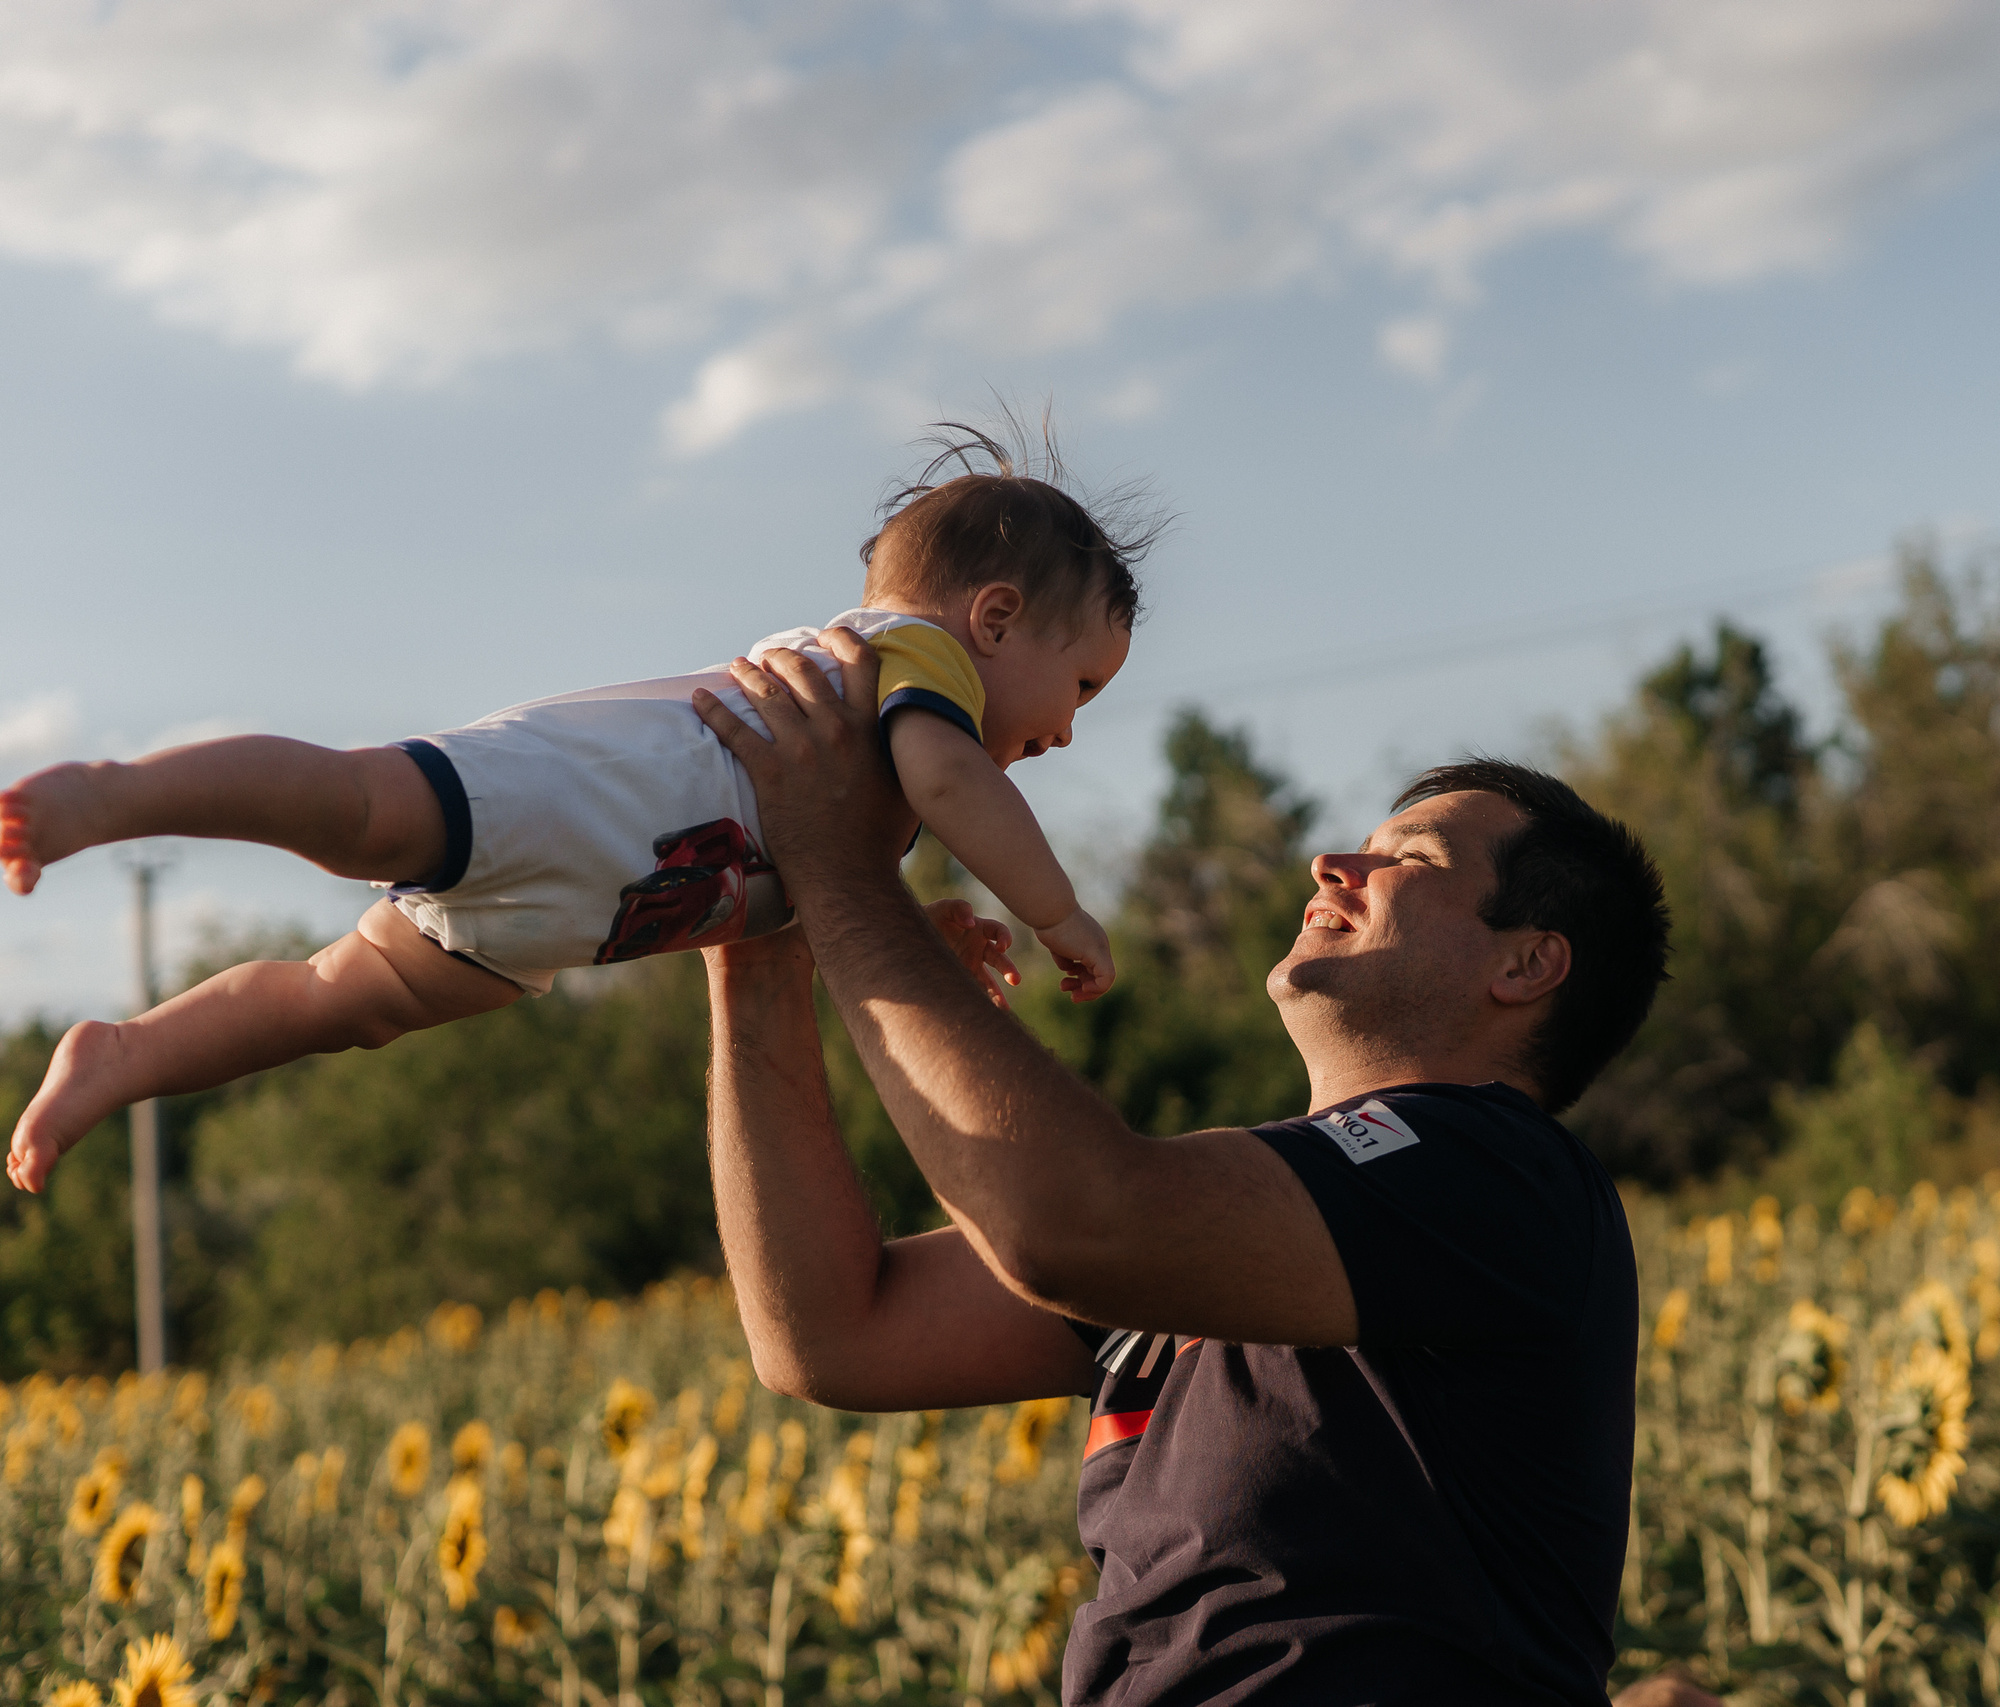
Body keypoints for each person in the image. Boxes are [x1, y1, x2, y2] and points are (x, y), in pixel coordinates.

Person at [692, 629, 1672, 1705]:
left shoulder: (1496, 1173)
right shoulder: (1249, 1223)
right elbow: (833, 1332)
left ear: (1526, 963)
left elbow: (1066, 1219)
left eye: (1409, 861)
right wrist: (760, 956)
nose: (1333, 864)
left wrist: (838, 865)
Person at [2, 434, 1144, 1193]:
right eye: (1082, 684)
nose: (1071, 729)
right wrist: (1058, 912)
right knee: (351, 802)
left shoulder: (886, 760)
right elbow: (959, 787)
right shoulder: (918, 659)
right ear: (993, 618)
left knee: (334, 1003)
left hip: (571, 918)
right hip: (564, 799)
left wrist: (920, 931)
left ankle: (125, 1053)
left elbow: (821, 879)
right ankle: (118, 795)